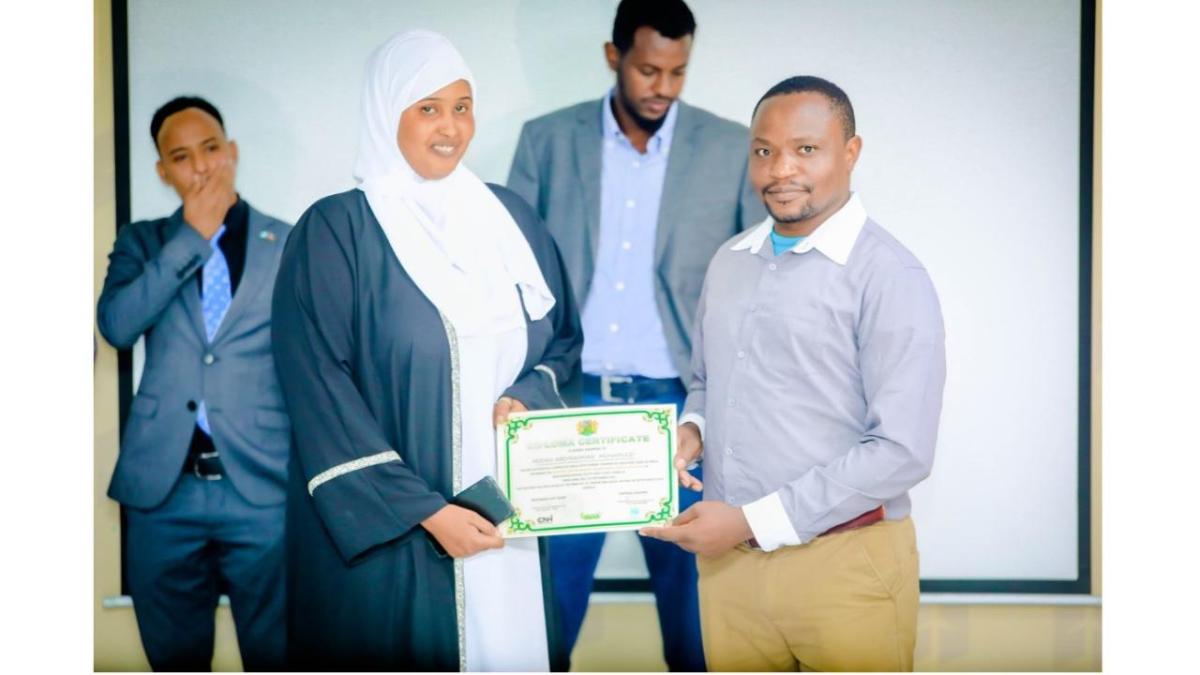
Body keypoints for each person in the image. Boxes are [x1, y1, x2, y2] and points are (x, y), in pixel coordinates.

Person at [271, 31, 582, 671]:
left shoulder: (511, 220)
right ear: (388, 114)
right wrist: (428, 513)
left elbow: (562, 342)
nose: (451, 127)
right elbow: (318, 390)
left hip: (506, 522)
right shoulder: (337, 232)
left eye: (462, 106)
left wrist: (528, 392)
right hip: (400, 539)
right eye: (428, 108)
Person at [641, 76, 947, 672]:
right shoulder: (729, 262)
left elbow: (902, 451)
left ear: (851, 153)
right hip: (729, 574)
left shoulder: (890, 276)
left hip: (843, 567)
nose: (781, 169)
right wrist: (693, 430)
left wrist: (751, 522)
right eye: (764, 150)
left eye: (806, 149)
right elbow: (706, 381)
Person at [506, 1, 763, 668]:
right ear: (613, 55)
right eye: (650, 70)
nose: (665, 88)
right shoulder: (545, 141)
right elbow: (513, 276)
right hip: (570, 402)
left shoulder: (731, 147)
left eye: (679, 72)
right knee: (547, 604)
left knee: (695, 611)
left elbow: (755, 285)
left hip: (681, 407)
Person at [96, 96, 291, 670]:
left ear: (232, 152)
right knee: (175, 658)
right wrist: (192, 238)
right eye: (182, 158)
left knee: (276, 654)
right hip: (164, 490)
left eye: (211, 149)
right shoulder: (142, 242)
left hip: (262, 487)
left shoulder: (290, 241)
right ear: (163, 172)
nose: (202, 167)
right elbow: (117, 326)